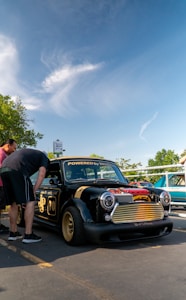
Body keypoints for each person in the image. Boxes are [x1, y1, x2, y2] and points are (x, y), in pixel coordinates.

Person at [1, 148, 50, 243]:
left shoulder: (30, 154)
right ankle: (28, 234)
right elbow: (42, 173)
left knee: (13, 202)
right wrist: (34, 191)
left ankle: (13, 233)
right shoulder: (43, 157)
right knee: (30, 200)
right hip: (17, 168)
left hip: (4, 169)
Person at [0, 139, 17, 233]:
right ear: (8, 145)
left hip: (2, 183)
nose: (14, 150)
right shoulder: (1, 154)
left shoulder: (4, 154)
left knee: (1, 207)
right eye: (14, 148)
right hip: (0, 184)